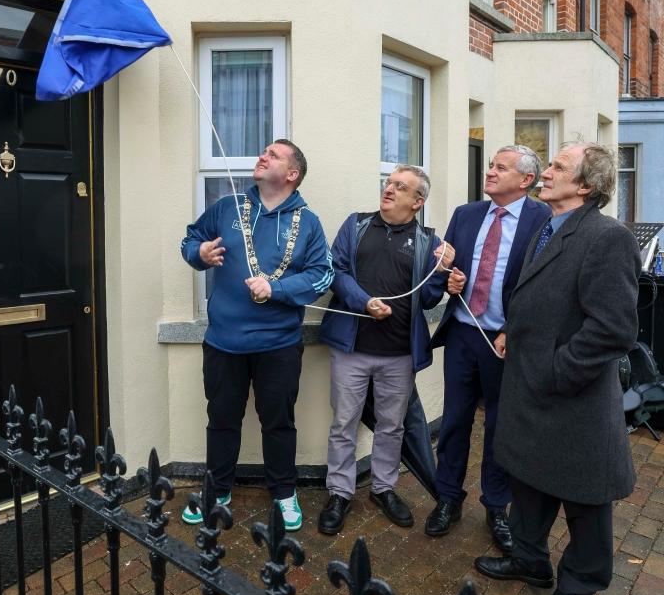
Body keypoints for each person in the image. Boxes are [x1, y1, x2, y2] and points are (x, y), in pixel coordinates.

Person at [475, 142, 640, 595]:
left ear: (586, 185)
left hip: (575, 397)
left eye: (557, 167)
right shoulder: (548, 227)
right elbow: (538, 299)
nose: (543, 173)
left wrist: (555, 372)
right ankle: (530, 559)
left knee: (585, 497)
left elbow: (613, 329)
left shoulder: (608, 238)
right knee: (528, 478)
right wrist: (512, 331)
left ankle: (580, 586)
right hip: (531, 385)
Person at [180, 139, 333, 531]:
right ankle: (218, 490)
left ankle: (284, 492)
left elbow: (322, 274)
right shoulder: (228, 207)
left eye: (274, 155)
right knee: (222, 419)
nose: (262, 156)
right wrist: (199, 255)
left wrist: (276, 289)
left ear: (292, 174)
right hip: (223, 342)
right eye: (263, 152)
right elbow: (190, 238)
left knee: (278, 422)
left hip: (278, 345)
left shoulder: (309, 222)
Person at [316, 166, 454, 534]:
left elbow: (427, 298)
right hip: (352, 349)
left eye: (400, 187)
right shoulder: (356, 225)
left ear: (418, 201)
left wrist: (442, 272)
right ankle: (340, 492)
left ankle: (383, 488)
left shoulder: (428, 240)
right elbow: (337, 272)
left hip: (399, 354)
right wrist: (364, 302)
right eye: (389, 183)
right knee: (344, 423)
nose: (389, 189)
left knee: (391, 426)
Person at [425, 145, 549, 551]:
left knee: (500, 425)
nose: (490, 172)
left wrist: (514, 329)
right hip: (463, 333)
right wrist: (448, 280)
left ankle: (497, 505)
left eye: (500, 167)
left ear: (526, 180)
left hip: (505, 341)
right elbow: (440, 272)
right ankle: (447, 498)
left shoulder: (543, 220)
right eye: (490, 165)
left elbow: (547, 287)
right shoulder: (466, 214)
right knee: (455, 421)